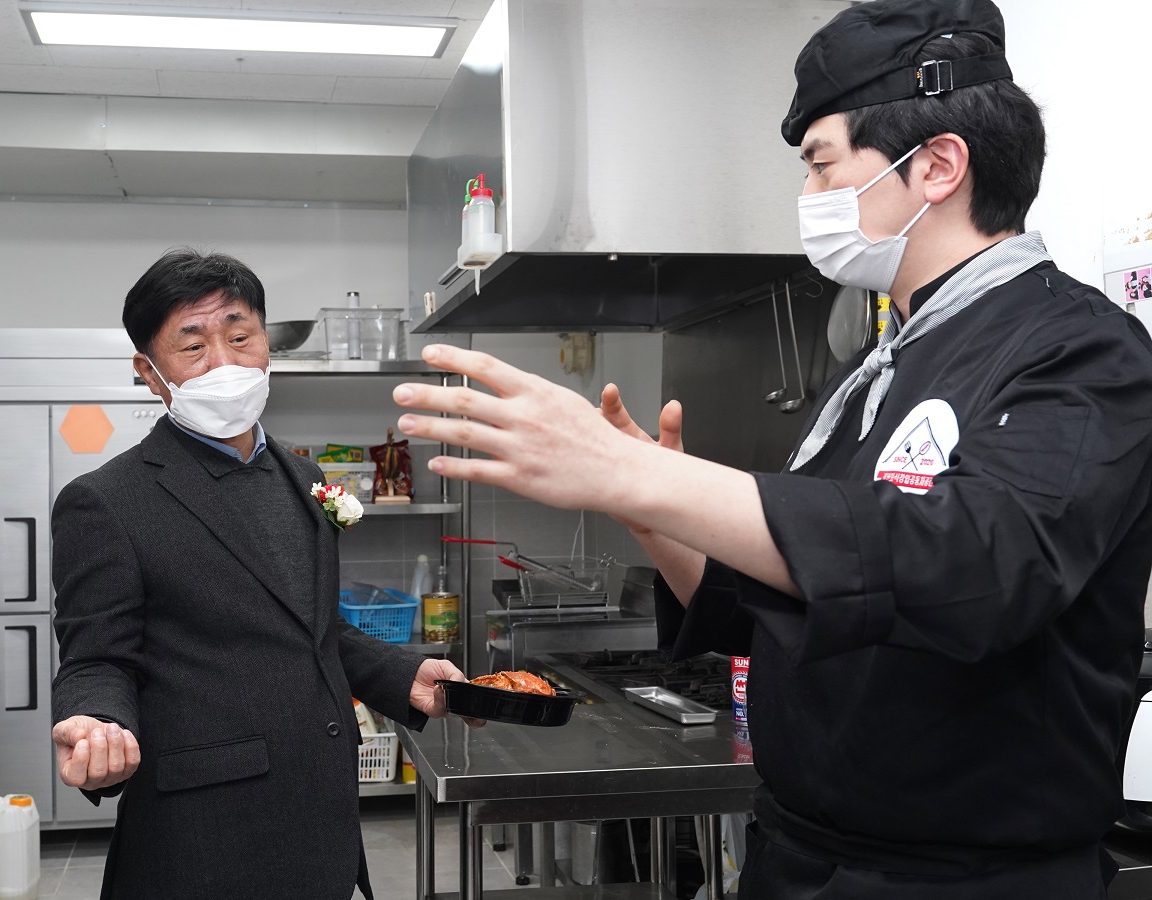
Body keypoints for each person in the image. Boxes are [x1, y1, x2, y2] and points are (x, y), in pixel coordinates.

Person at [390, 1, 1152, 897]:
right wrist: (645, 500)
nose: (809, 198)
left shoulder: (1081, 349)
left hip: (959, 878)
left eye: (822, 165)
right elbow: (789, 601)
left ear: (938, 164)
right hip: (801, 854)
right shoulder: (880, 364)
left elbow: (974, 564)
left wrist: (645, 472)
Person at [50, 248, 472, 900]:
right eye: (193, 347)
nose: (225, 363)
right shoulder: (107, 501)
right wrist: (96, 722)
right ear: (149, 371)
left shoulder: (307, 481)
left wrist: (405, 676)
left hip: (319, 829)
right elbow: (97, 659)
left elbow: (312, 629)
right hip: (202, 845)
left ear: (266, 343)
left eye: (240, 336)